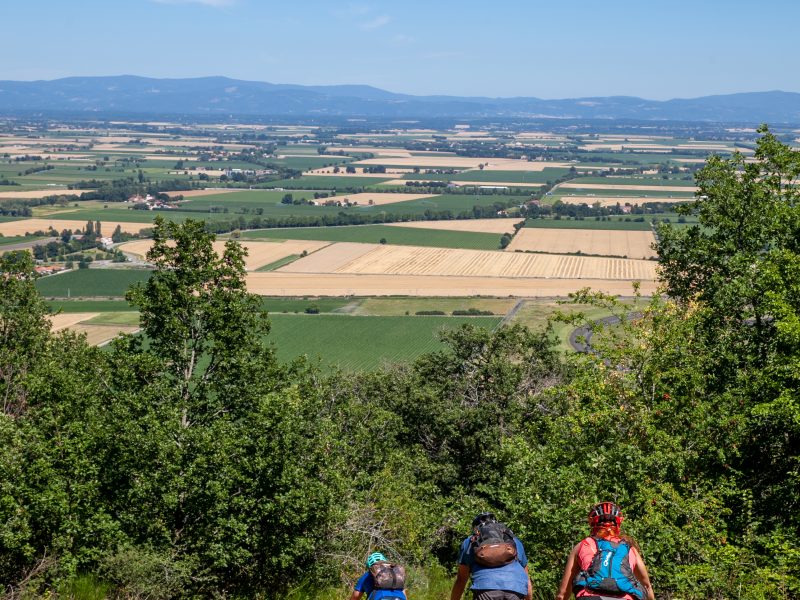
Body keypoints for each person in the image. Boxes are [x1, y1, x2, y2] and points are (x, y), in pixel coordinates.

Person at [555, 502, 655, 600]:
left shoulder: (582, 545)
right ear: (618, 523)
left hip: (589, 596)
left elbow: (562, 595)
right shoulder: (629, 548)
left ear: (592, 523)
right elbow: (646, 586)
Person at [450, 512, 533, 600]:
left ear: (476, 529)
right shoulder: (514, 542)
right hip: (515, 588)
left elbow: (461, 580)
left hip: (486, 590)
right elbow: (527, 581)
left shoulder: (470, 542)